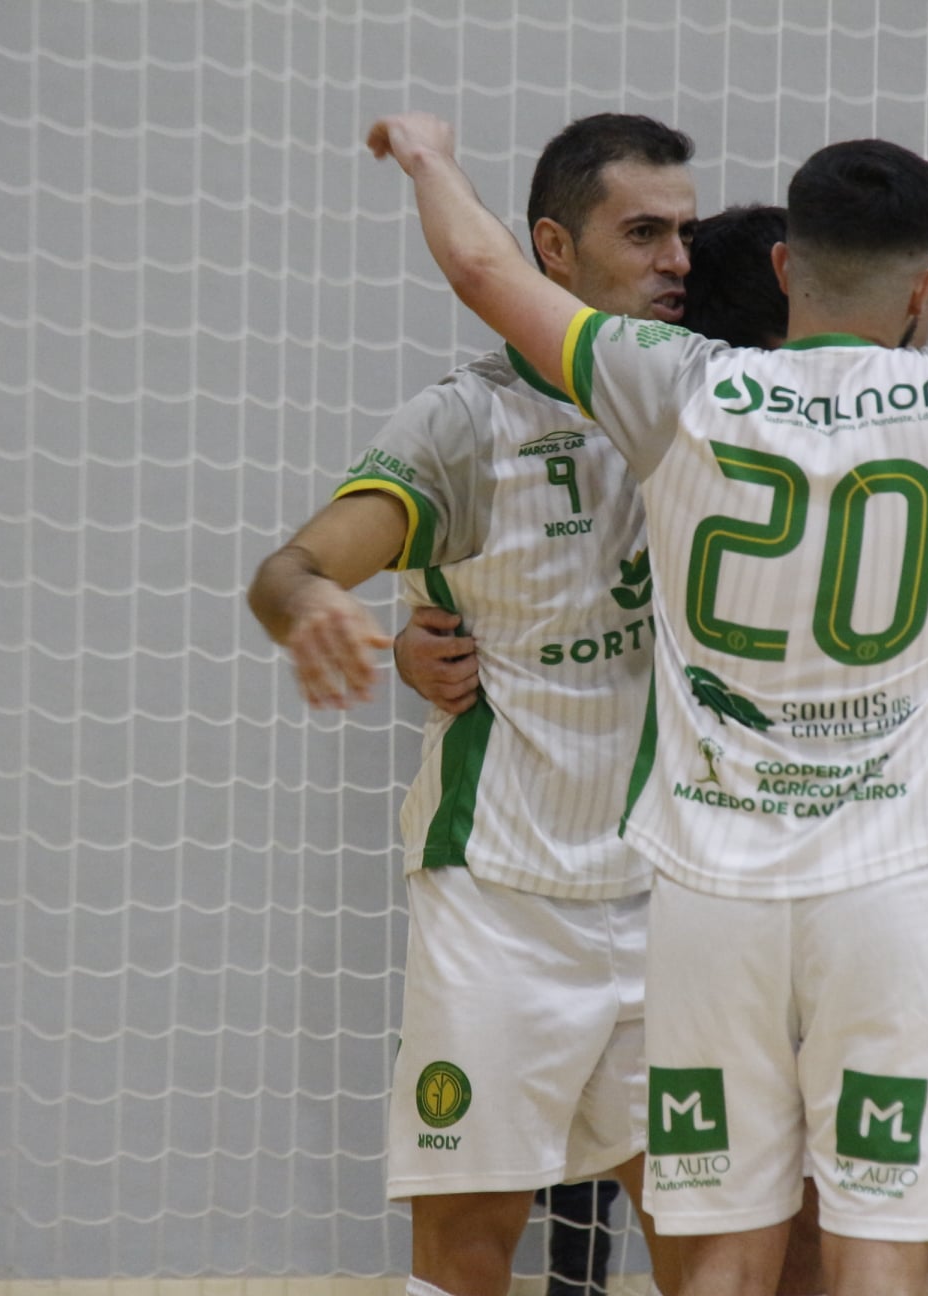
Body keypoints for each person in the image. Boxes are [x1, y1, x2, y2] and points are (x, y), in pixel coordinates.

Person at [367, 109, 928, 1296]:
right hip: (810, 879)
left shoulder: (691, 395)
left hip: (783, 887)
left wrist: (431, 156)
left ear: (786, 271)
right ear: (923, 286)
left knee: (840, 1238)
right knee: (862, 1235)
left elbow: (485, 268)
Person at [248, 113, 699, 1296]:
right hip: (499, 904)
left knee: (729, 1259)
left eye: (686, 234)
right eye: (643, 232)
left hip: (681, 903)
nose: (677, 261)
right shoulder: (463, 423)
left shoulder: (712, 397)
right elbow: (290, 569)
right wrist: (319, 613)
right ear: (552, 248)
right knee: (463, 1259)